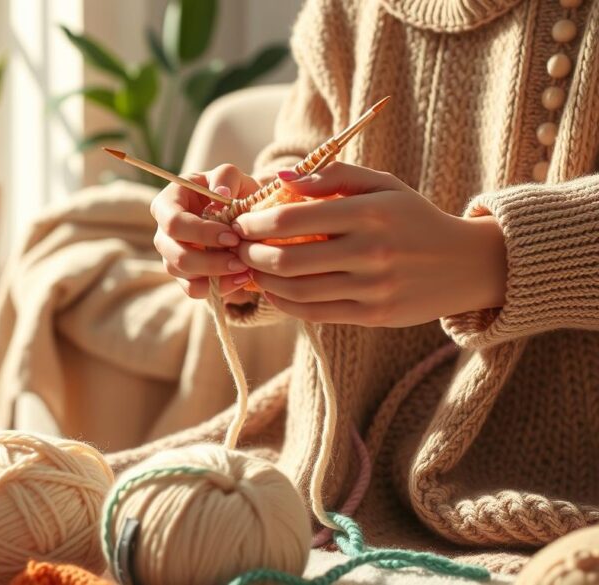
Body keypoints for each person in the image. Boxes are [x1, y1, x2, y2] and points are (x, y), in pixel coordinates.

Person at [122, 0, 599, 573]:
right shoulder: (345, 12)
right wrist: (247, 238)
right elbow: (299, 159)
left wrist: (491, 259)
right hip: (335, 460)